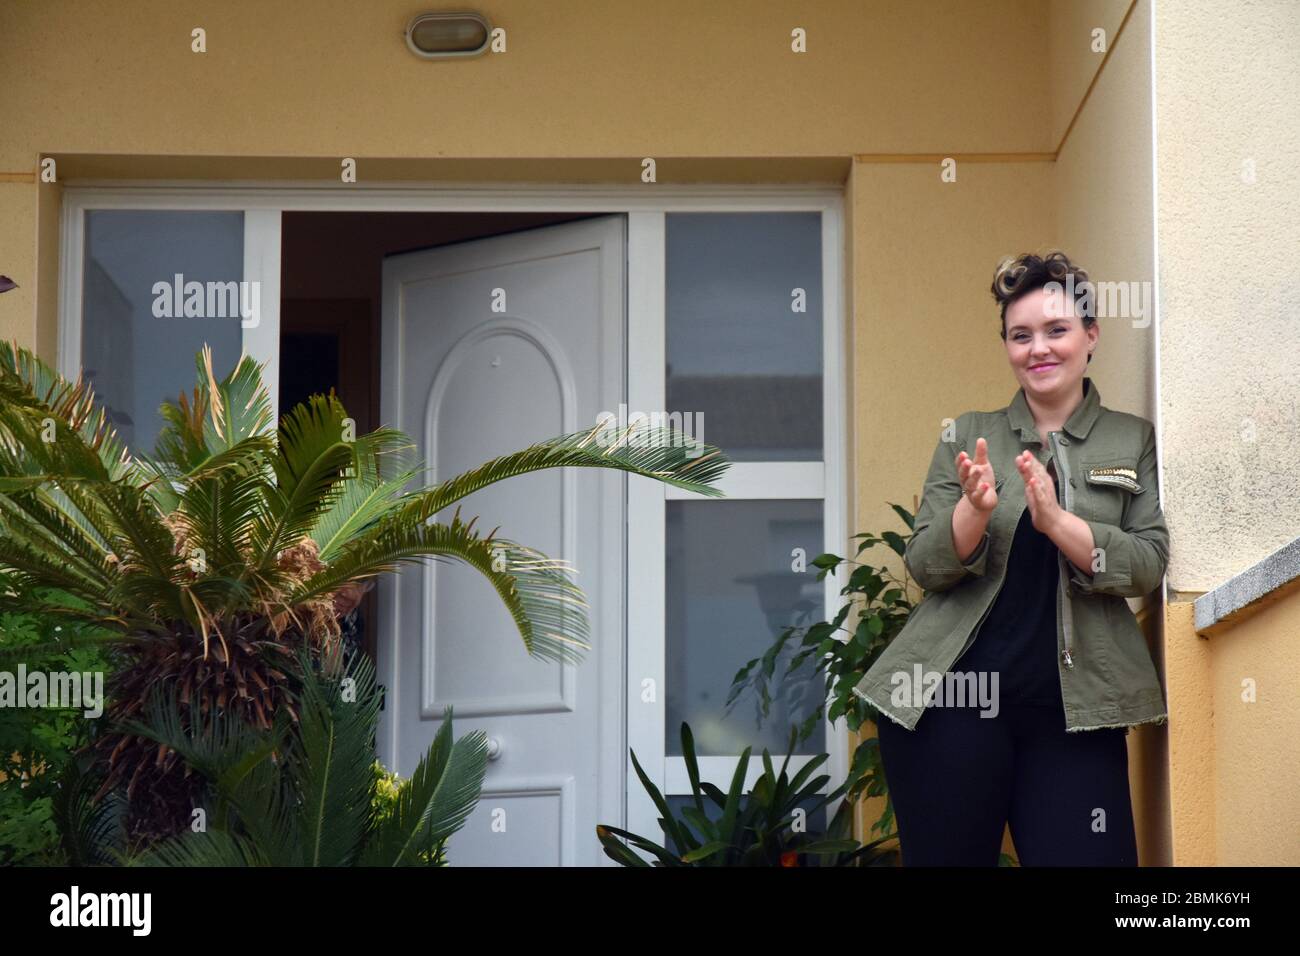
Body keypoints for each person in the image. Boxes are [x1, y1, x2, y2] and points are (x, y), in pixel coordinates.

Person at [859, 251, 1168, 866]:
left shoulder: (1131, 439)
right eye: (1020, 335)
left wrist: (1058, 523)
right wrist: (973, 510)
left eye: (1056, 330)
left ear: (1090, 336)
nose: (1039, 349)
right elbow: (926, 564)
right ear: (1006, 345)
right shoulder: (968, 433)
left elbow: (1146, 563)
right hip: (954, 703)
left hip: (1076, 712)